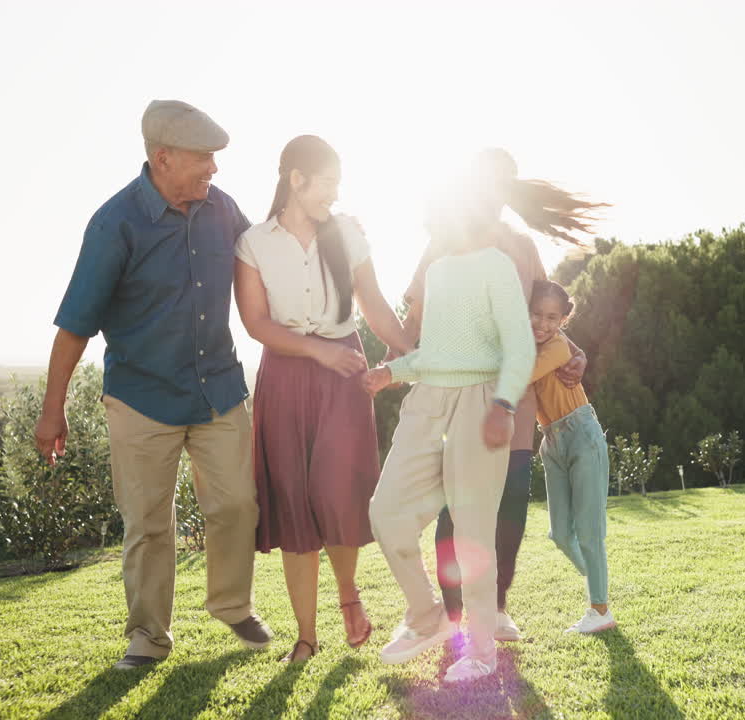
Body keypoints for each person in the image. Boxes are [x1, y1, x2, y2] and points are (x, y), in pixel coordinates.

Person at [35, 100, 271, 671]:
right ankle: (147, 635)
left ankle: (232, 605)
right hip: (141, 397)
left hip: (217, 388)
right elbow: (75, 325)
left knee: (238, 504)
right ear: (163, 158)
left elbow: (263, 268)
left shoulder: (223, 211)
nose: (213, 170)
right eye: (204, 158)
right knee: (147, 523)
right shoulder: (115, 223)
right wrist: (52, 410)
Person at [395, 149, 602, 641]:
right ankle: (450, 616)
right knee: (455, 504)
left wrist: (578, 353)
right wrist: (392, 368)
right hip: (457, 393)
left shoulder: (522, 246)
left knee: (509, 503)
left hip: (514, 397)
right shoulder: (445, 238)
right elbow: (415, 316)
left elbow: (546, 315)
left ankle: (500, 607)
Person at [234, 135, 413, 663]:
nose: (333, 195)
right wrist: (317, 351)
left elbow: (375, 307)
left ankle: (349, 597)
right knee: (293, 502)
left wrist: (416, 356)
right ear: (296, 179)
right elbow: (255, 323)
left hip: (344, 375)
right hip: (286, 375)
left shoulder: (348, 234)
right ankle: (306, 638)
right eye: (327, 183)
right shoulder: (254, 243)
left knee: (336, 492)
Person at [362, 197, 536, 683]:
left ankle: (481, 651)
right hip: (427, 400)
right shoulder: (437, 271)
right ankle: (427, 616)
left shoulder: (497, 265)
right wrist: (392, 371)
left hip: (480, 403)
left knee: (471, 532)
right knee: (386, 512)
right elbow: (435, 352)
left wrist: (503, 405)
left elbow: (519, 345)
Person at [528, 280, 615, 633]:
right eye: (536, 314)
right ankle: (597, 576)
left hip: (582, 435)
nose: (542, 324)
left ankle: (600, 609)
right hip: (551, 441)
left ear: (564, 319)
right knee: (560, 535)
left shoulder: (559, 346)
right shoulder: (531, 344)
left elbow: (520, 376)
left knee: (589, 533)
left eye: (552, 317)